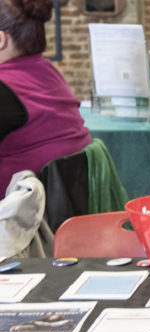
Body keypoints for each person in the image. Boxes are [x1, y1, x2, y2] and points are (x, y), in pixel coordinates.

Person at [0, 0, 91, 196]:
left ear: (1, 40)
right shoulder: (49, 72)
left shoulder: (4, 86)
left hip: (18, 217)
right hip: (61, 211)